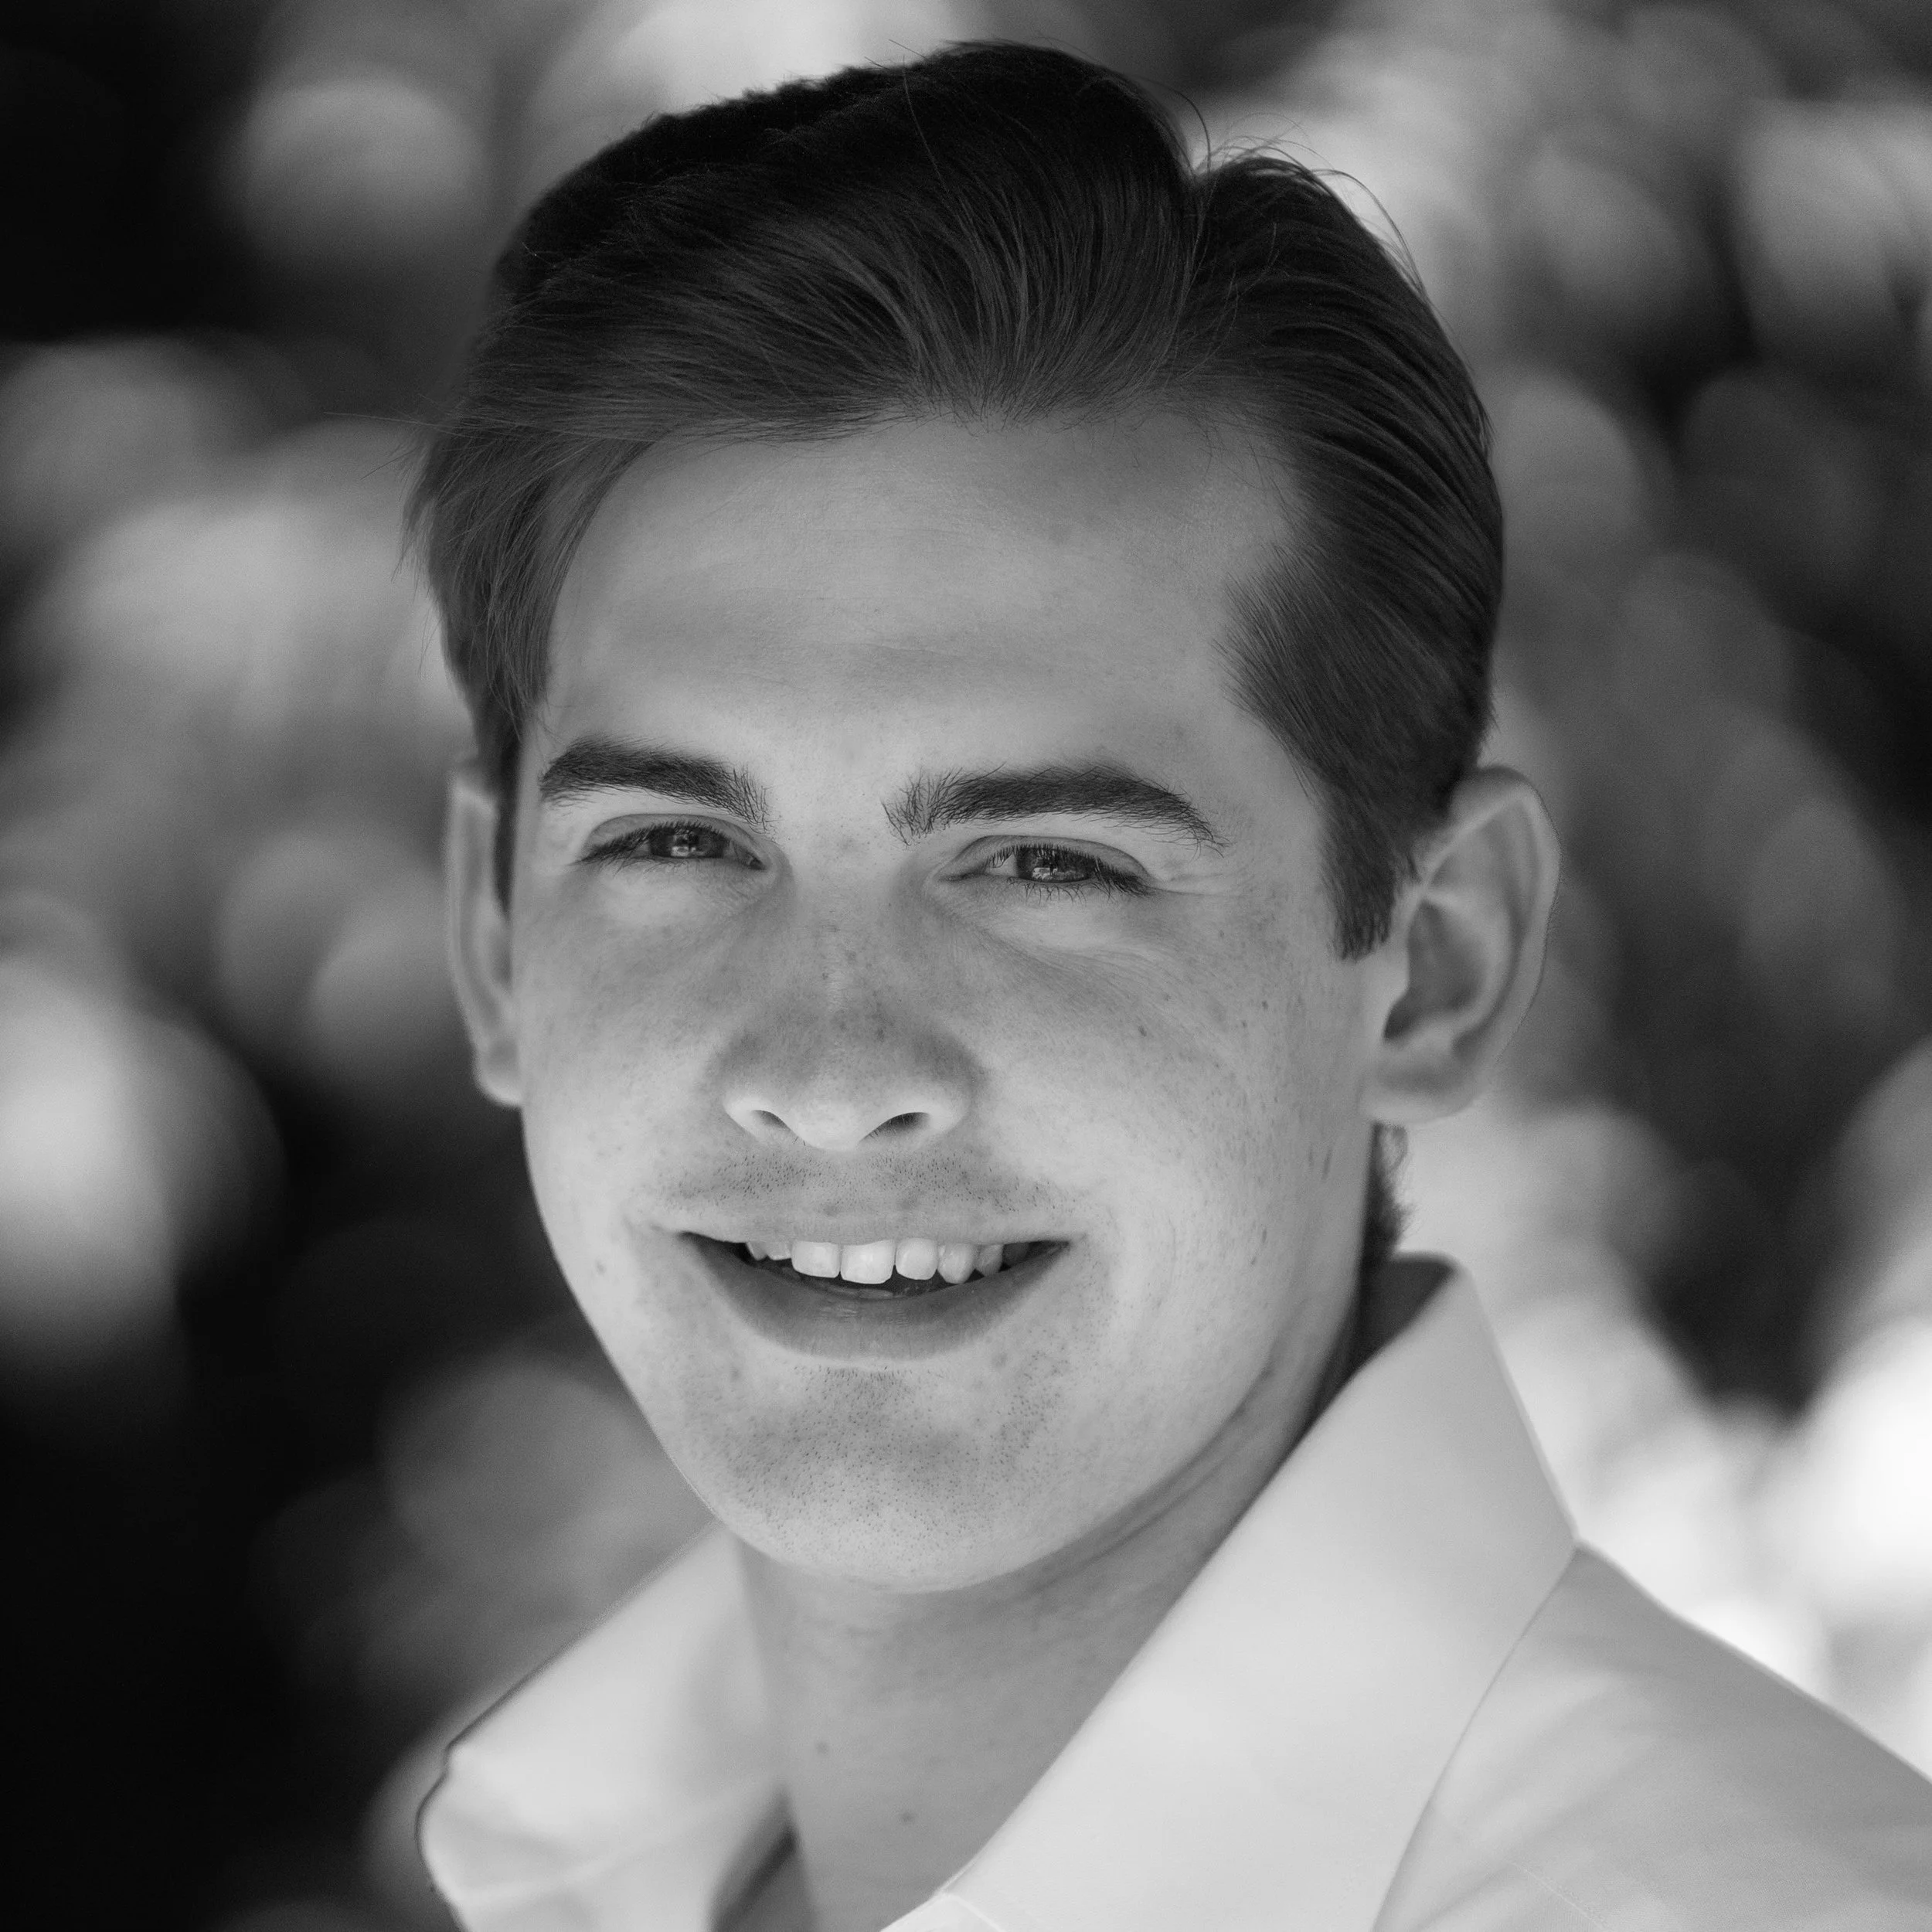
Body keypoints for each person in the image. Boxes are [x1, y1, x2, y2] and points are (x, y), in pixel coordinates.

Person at [406, 39, 1932, 1932]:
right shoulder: (586, 1877)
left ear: (1437, 961)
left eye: (1045, 864)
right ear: (492, 932)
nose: (826, 1066)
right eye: (675, 845)